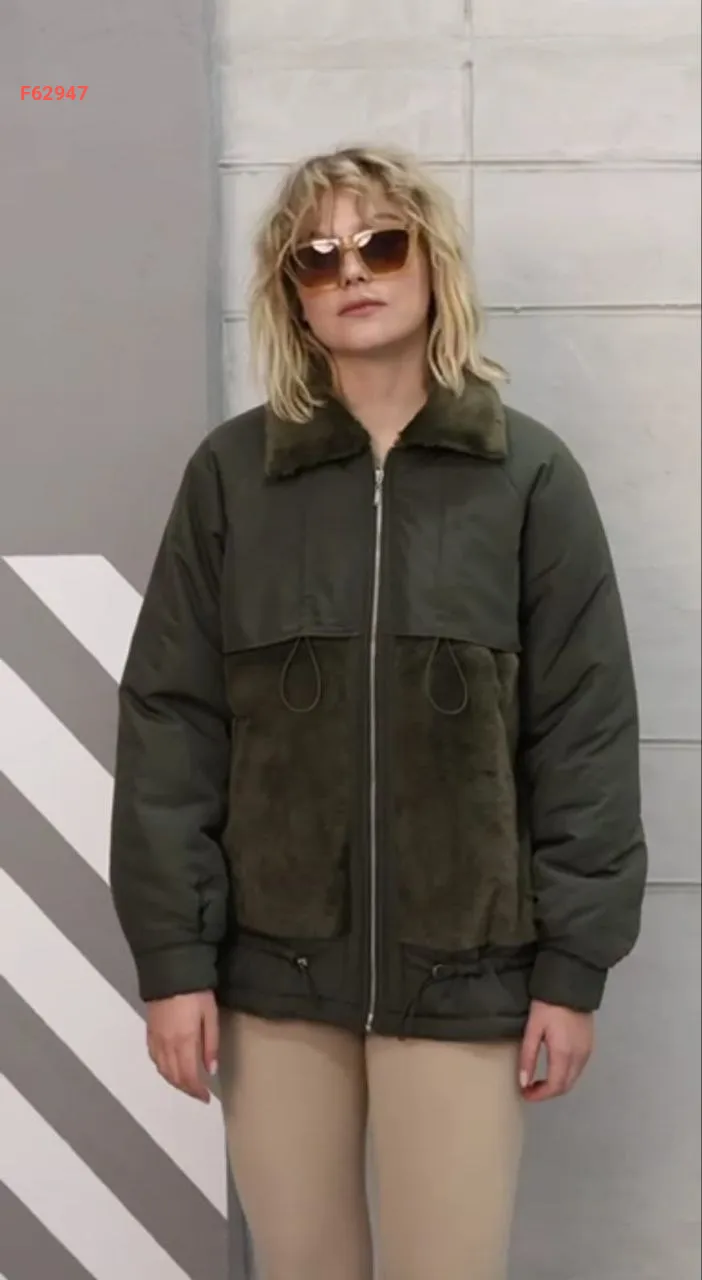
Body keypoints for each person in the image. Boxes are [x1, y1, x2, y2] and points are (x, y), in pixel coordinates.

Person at [109, 144, 647, 1280]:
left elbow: (584, 733)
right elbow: (171, 723)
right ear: (293, 296)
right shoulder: (233, 477)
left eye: (380, 243)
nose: (352, 270)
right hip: (271, 976)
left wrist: (571, 969)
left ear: (431, 263)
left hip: (468, 975)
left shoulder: (527, 477)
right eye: (319, 256)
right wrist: (173, 957)